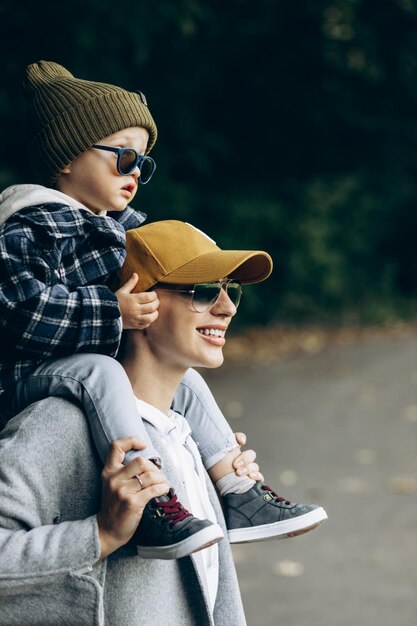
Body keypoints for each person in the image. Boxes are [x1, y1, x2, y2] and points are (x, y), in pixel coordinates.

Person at [0, 61, 326, 560]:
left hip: (97, 374)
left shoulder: (111, 226)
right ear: (66, 158)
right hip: (31, 373)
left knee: (185, 376)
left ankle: (238, 492)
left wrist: (192, 444)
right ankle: (150, 499)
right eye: (124, 157)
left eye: (143, 164)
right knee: (101, 368)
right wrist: (111, 312)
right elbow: (18, 311)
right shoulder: (31, 224)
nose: (135, 173)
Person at [0, 221, 322, 625]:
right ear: (138, 303)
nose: (227, 308)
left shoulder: (189, 435)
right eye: (204, 292)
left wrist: (232, 490)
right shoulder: (59, 424)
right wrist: (100, 535)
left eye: (230, 290)